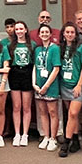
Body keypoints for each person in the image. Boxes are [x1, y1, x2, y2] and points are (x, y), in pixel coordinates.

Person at [58, 22, 82, 158]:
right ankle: (75, 140)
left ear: (76, 34)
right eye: (67, 32)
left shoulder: (81, 48)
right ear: (63, 34)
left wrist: (79, 84)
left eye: (72, 32)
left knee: (72, 113)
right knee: (72, 115)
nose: (70, 34)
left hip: (78, 85)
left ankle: (66, 142)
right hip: (64, 84)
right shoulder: (60, 48)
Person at [32, 24, 61, 152]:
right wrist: (34, 83)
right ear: (39, 35)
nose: (44, 34)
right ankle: (46, 135)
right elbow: (35, 67)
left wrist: (46, 86)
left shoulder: (55, 49)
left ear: (50, 34)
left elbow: (56, 68)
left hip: (50, 85)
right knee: (42, 112)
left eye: (46, 32)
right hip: (38, 85)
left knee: (52, 112)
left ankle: (53, 138)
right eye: (42, 32)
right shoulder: (37, 49)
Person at [8, 21, 35, 147]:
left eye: (21, 29)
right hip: (14, 74)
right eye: (17, 29)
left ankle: (25, 134)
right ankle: (17, 134)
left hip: (27, 73)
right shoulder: (10, 45)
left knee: (26, 107)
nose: (19, 31)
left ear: (25, 30)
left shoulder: (32, 45)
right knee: (16, 106)